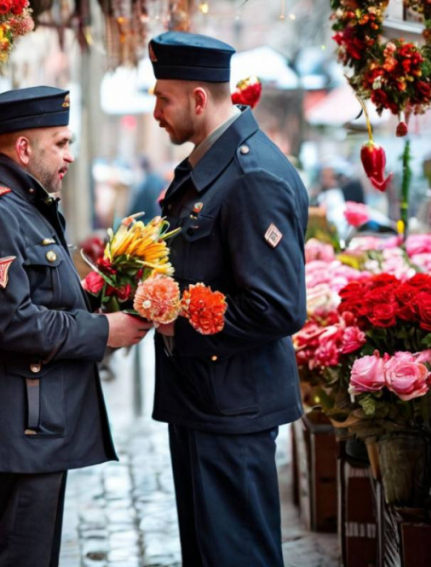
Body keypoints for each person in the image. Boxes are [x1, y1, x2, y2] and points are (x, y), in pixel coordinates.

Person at [0, 86, 152, 567]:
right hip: (19, 431)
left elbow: (42, 297)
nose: (70, 156)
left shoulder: (22, 205)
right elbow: (11, 323)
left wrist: (107, 294)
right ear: (24, 149)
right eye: (60, 143)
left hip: (32, 428)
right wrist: (105, 333)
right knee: (19, 557)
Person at [148, 32, 308, 566]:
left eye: (163, 98)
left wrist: (177, 326)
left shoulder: (251, 176)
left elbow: (278, 305)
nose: (155, 112)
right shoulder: (209, 170)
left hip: (232, 406)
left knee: (237, 555)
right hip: (202, 399)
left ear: (198, 99)